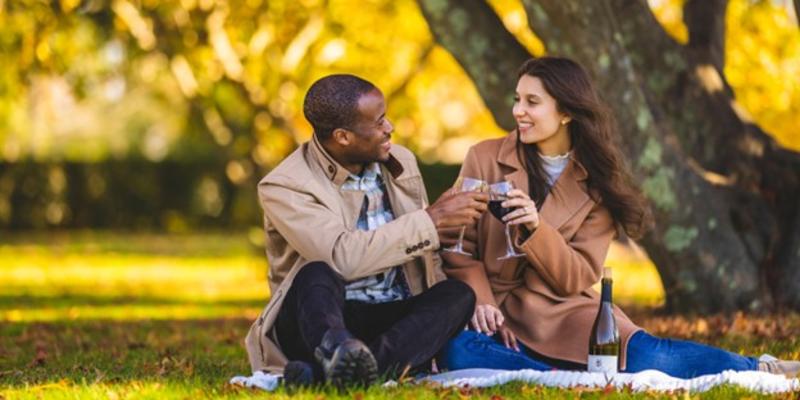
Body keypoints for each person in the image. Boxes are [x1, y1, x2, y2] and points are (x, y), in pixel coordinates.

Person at [441, 57, 800, 379]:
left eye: (532, 102)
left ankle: (759, 367)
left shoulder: (598, 183)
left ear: (566, 111)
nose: (519, 110)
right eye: (517, 99)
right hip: (485, 312)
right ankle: (559, 377)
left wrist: (537, 229)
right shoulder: (484, 157)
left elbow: (577, 277)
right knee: (456, 349)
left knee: (653, 354)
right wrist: (484, 303)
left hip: (559, 313)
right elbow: (458, 247)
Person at [244, 74, 487, 387]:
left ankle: (332, 375)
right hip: (321, 322)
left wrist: (440, 235)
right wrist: (431, 221)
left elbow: (426, 257)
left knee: (457, 295)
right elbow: (341, 258)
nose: (390, 128)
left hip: (389, 315)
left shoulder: (401, 161)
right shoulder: (285, 185)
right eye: (379, 122)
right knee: (316, 272)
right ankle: (343, 358)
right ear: (343, 137)